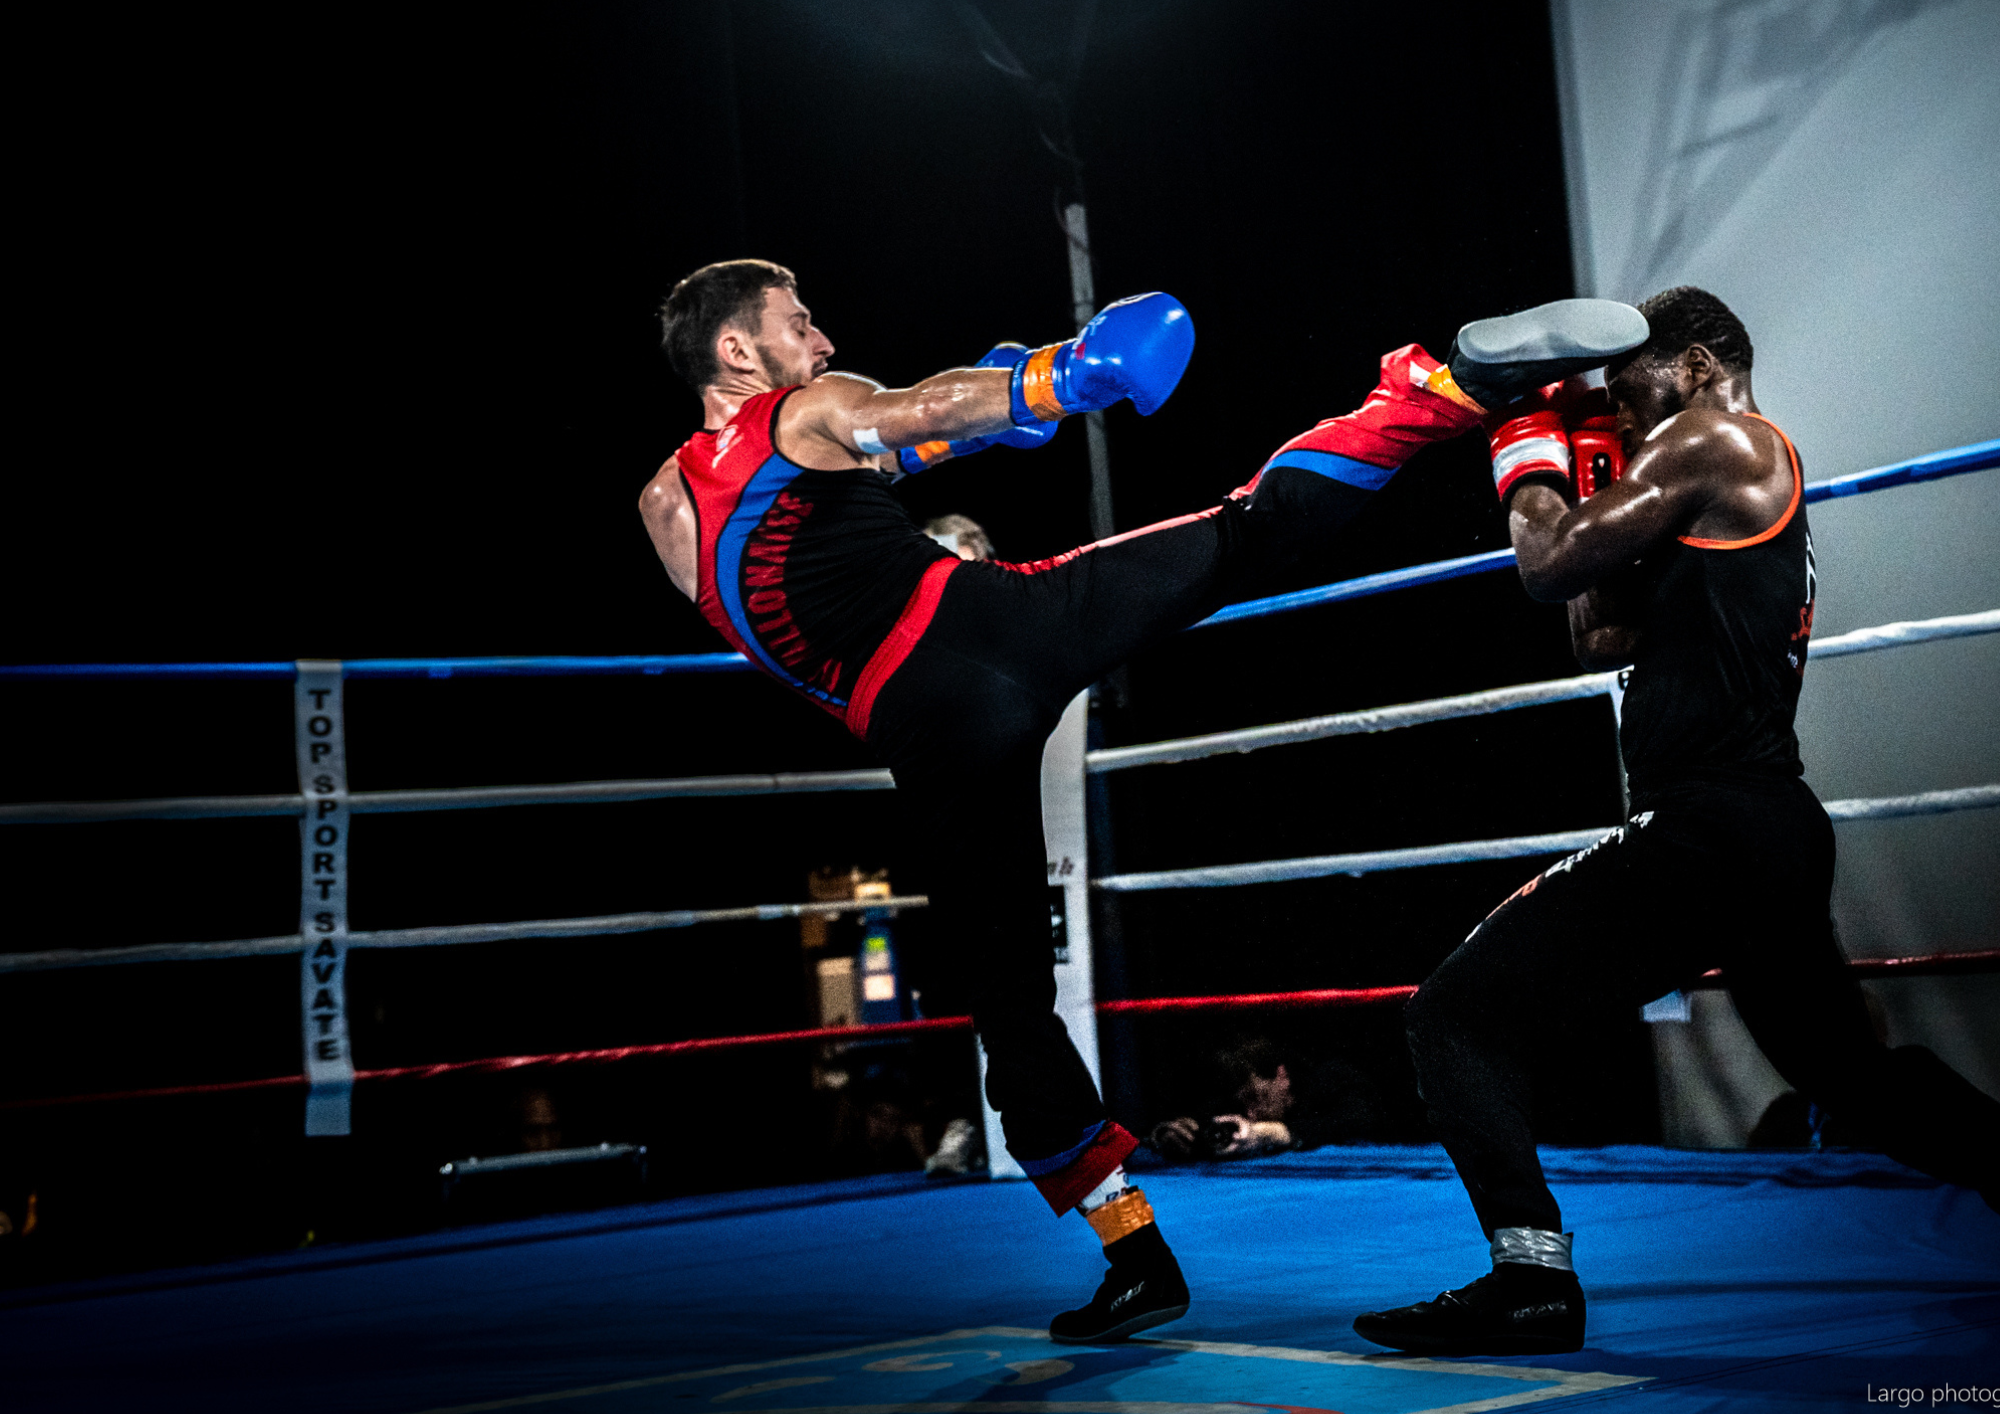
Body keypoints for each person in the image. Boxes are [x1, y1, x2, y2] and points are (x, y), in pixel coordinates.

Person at [638, 258, 1642, 1342]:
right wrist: (1060, 377)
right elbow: (909, 411)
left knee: (1010, 1007)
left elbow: (850, 491)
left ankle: (1134, 1257)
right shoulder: (804, 410)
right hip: (995, 628)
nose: (822, 341)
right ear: (736, 350)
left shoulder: (666, 505)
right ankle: (1449, 390)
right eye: (797, 323)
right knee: (1242, 532)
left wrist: (985, 414)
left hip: (924, 735)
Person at [1354, 286, 2000, 1357]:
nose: (1616, 400)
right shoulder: (1715, 475)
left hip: (1707, 828)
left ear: (1696, 365)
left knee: (1452, 1015)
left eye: (1628, 378)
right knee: (1850, 1079)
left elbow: (1544, 564)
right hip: (1760, 829)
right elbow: (1595, 634)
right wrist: (1584, 465)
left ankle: (1530, 1280)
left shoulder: (1715, 440)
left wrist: (1524, 446)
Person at [1149, 1037, 1383, 1160]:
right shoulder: (1240, 1102)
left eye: (1255, 1097)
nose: (1251, 1114)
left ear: (1281, 1076)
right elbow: (1203, 1115)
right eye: (1244, 1103)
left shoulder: (1330, 1080)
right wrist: (1172, 1134)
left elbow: (1361, 1119)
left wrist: (1276, 1133)